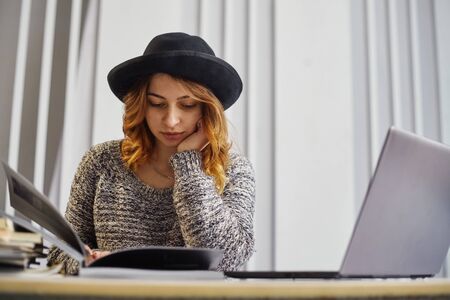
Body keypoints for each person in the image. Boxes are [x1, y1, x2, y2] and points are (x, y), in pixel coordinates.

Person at [47, 32, 255, 274]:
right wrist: (86, 263)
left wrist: (189, 165)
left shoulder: (234, 170)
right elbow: (59, 252)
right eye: (157, 103)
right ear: (141, 104)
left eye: (187, 105)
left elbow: (226, 259)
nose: (171, 120)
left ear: (206, 110)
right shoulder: (102, 162)